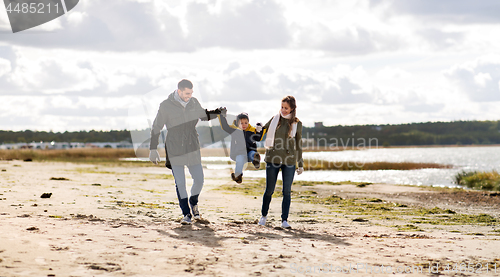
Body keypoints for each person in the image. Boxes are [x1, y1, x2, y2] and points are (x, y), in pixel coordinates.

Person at [149, 79, 221, 225]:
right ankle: (186, 214)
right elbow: (156, 127)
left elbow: (203, 115)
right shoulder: (166, 105)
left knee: (199, 179)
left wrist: (217, 113)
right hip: (174, 147)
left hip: (192, 146)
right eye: (187, 93)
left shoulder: (193, 102)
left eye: (191, 93)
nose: (189, 96)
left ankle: (193, 202)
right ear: (179, 91)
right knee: (180, 183)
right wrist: (152, 148)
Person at [258, 96, 304, 229]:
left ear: (292, 109)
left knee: (287, 191)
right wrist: (258, 127)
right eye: (282, 107)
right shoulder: (274, 119)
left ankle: (284, 220)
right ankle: (264, 216)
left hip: (289, 161)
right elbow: (263, 130)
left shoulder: (297, 124)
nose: (283, 110)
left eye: (286, 108)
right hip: (273, 158)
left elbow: (298, 145)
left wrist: (300, 164)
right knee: (269, 190)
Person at [218, 110, 265, 183]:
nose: (244, 125)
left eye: (246, 123)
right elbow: (225, 126)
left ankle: (256, 161)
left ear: (248, 123)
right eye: (241, 123)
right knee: (239, 160)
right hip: (239, 153)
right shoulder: (234, 130)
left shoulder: (252, 131)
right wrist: (222, 116)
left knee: (253, 154)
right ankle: (238, 176)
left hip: (250, 152)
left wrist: (260, 128)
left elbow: (259, 138)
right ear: (237, 123)